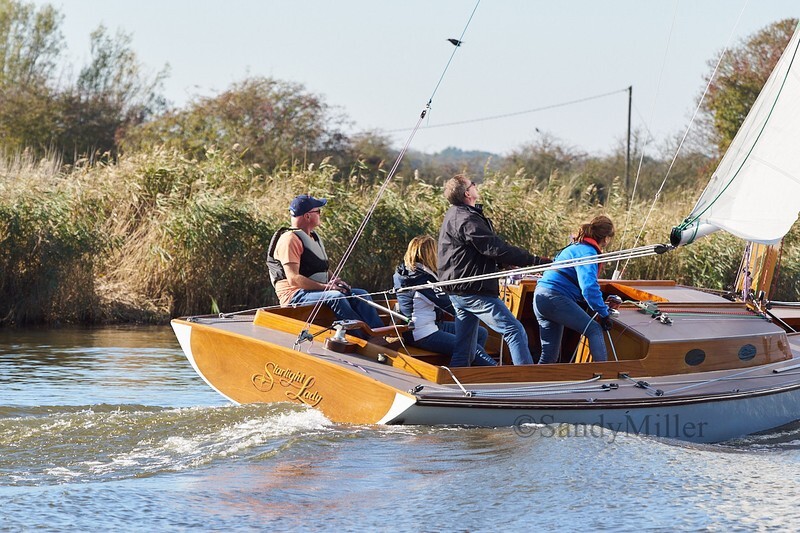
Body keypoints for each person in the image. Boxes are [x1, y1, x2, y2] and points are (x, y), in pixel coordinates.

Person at [437, 175, 551, 367]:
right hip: (473, 291)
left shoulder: (456, 214)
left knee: (465, 349)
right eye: (472, 184)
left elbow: (471, 252)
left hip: (458, 290)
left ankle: (452, 385)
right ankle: (529, 382)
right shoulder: (467, 218)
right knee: (514, 330)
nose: (475, 186)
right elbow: (494, 248)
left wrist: (502, 264)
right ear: (467, 193)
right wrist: (534, 260)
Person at [267, 194, 384, 337]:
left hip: (317, 291)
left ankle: (380, 334)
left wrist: (336, 281)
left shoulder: (313, 236)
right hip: (294, 295)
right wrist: (327, 287)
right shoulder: (289, 240)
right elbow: (293, 279)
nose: (321, 214)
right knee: (335, 297)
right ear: (308, 216)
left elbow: (322, 268)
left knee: (361, 294)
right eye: (318, 211)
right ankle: (362, 337)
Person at [393, 235, 496, 366]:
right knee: (472, 348)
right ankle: (494, 371)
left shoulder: (407, 272)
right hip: (422, 332)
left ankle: (467, 365)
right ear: (430, 254)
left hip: (429, 325)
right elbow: (451, 306)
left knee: (481, 333)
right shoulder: (422, 280)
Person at [533, 215, 615, 364]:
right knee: (594, 330)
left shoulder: (575, 246)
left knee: (549, 357)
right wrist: (603, 313)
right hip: (554, 298)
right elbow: (589, 287)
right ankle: (605, 375)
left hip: (541, 296)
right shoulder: (588, 252)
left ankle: (532, 385)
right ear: (606, 239)